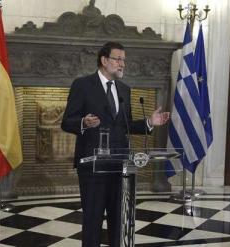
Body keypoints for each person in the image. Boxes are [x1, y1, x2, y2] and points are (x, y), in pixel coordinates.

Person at [61, 41, 170, 247]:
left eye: (124, 60)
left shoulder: (124, 89)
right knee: (92, 222)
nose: (122, 64)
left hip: (120, 166)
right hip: (93, 167)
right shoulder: (82, 85)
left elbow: (124, 125)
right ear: (104, 60)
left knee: (118, 222)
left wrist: (149, 122)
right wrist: (83, 122)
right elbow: (67, 121)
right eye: (118, 59)